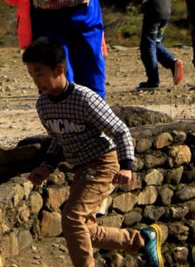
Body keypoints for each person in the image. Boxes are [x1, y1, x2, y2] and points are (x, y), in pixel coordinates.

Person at [24, 37, 163, 267]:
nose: (36, 81)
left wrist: (127, 166)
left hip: (102, 162)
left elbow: (120, 130)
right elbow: (59, 139)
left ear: (59, 69)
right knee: (84, 227)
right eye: (31, 75)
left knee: (73, 218)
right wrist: (46, 166)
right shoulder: (44, 105)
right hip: (81, 168)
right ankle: (140, 240)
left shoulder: (84, 98)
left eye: (39, 73)